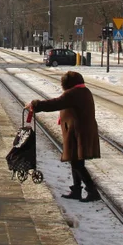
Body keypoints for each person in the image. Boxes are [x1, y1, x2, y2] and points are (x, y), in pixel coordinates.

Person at [24, 71, 101, 202]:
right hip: (80, 130)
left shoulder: (73, 94)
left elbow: (55, 103)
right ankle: (76, 189)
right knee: (75, 160)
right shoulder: (84, 91)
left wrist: (35, 105)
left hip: (78, 132)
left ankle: (92, 190)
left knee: (77, 163)